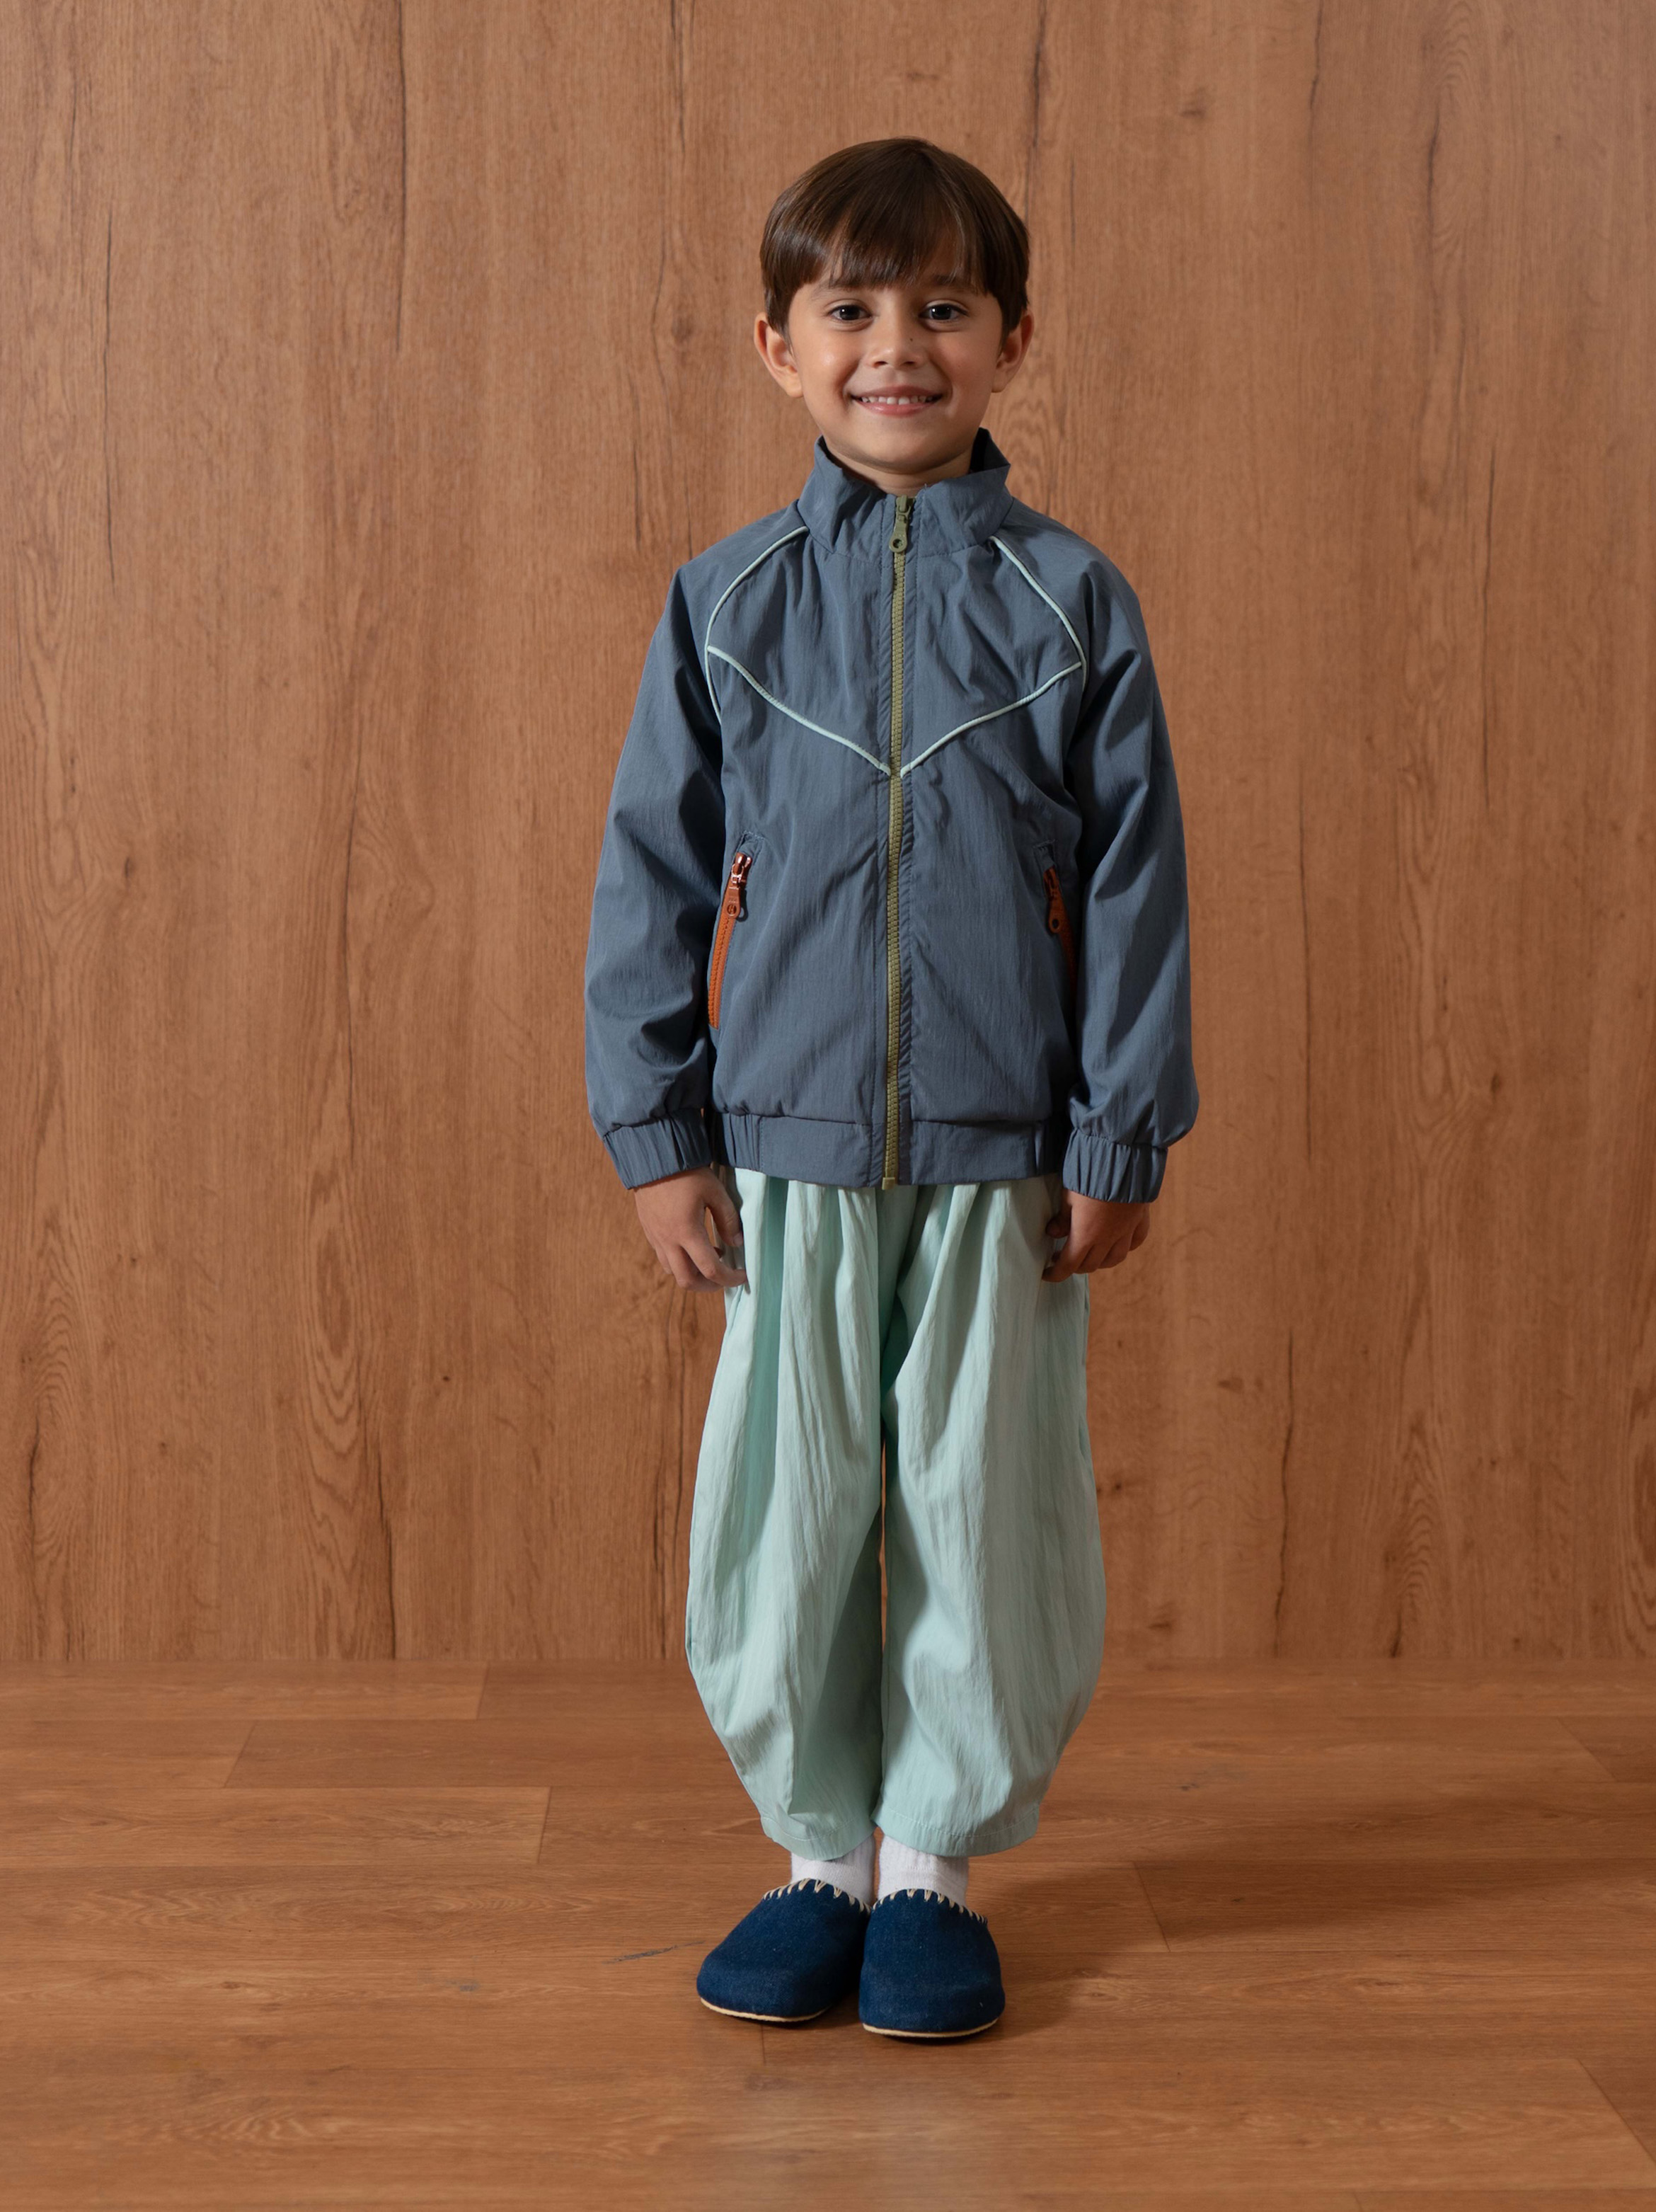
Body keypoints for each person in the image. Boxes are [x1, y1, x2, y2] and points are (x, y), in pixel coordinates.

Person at [582, 137, 1198, 2039]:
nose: (896, 346)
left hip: (1006, 1150)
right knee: (787, 1509)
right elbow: (652, 877)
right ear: (780, 345)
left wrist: (1117, 1130)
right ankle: (818, 1861)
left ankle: (930, 1866)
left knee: (976, 1502)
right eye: (848, 309)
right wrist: (659, 1133)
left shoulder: (1074, 603)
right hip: (782, 1147)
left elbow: (1135, 886)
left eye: (942, 307)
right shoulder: (724, 604)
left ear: (1012, 338)